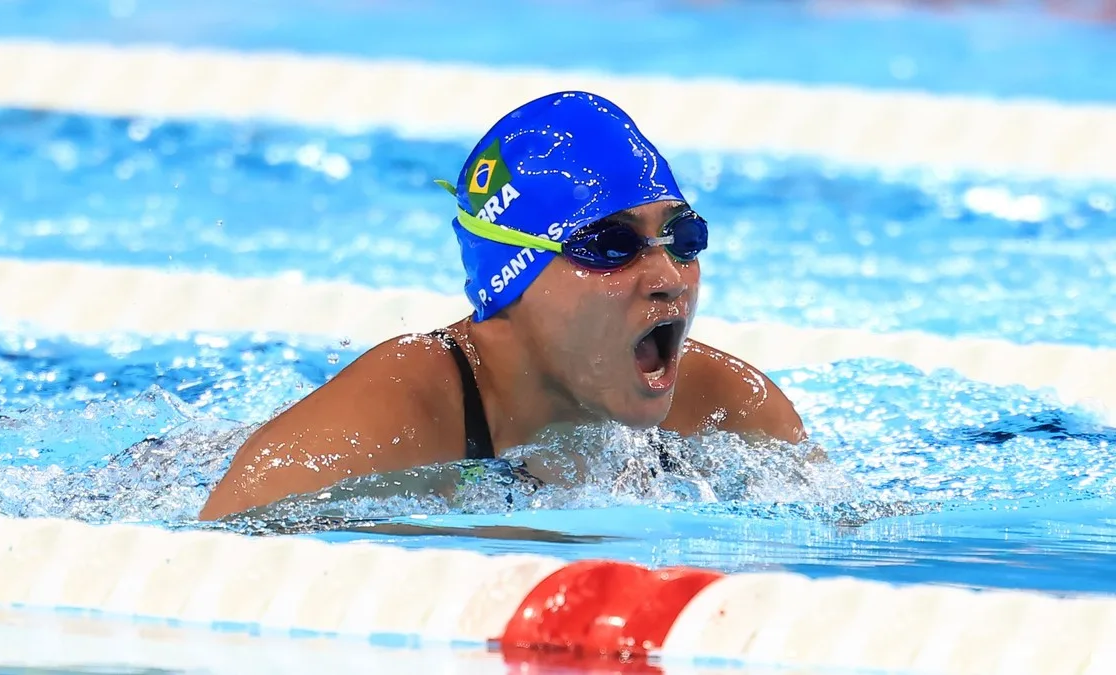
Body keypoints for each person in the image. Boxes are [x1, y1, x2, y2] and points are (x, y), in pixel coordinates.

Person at [199, 91, 809, 522]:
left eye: (683, 238)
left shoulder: (730, 409)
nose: (668, 277)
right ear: (513, 276)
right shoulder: (376, 429)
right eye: (609, 245)